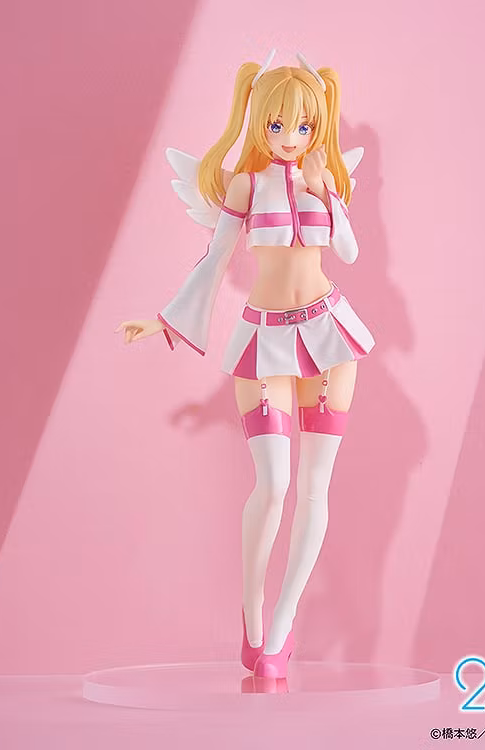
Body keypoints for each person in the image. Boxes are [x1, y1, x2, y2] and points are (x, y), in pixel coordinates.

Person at [115, 50, 375, 679]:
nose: (290, 137)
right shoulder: (246, 186)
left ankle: (283, 623)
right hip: (264, 338)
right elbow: (215, 256)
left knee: (314, 488)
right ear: (259, 122)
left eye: (304, 126)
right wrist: (167, 319)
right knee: (275, 484)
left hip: (330, 334)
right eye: (278, 125)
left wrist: (324, 188)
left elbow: (348, 250)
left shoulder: (325, 182)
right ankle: (253, 613)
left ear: (318, 126)